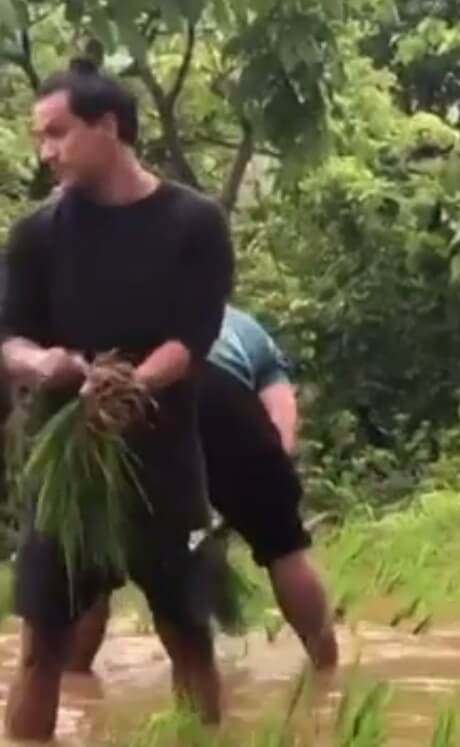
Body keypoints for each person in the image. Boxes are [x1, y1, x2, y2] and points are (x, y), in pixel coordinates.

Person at [1, 58, 234, 738]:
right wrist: (43, 363)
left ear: (109, 127)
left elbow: (191, 339)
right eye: (39, 137)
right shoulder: (36, 235)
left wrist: (131, 382)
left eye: (58, 132)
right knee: (42, 645)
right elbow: (9, 336)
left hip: (163, 462)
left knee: (188, 633)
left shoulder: (194, 223)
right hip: (64, 464)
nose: (45, 151)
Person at [64, 305, 340, 675]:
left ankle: (73, 687)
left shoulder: (120, 310)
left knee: (95, 563)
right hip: (221, 395)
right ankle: (330, 675)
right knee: (285, 550)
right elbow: (281, 421)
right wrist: (265, 497)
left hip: (129, 396)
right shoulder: (245, 328)